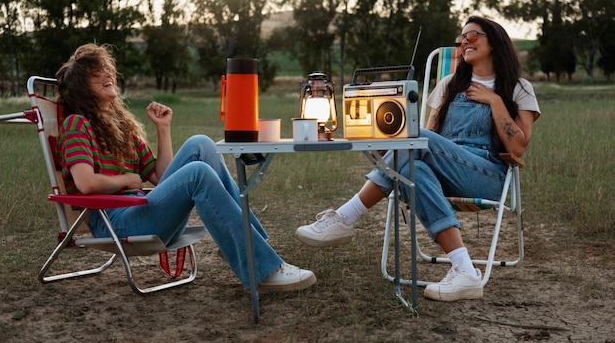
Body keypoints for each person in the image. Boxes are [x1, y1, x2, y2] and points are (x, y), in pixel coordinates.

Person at [296, 16, 540, 301]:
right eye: (461, 38)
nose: (464, 42)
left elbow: (518, 146)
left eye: (472, 36)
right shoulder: (450, 83)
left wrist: (495, 100)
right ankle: (465, 272)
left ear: (494, 41)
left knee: (412, 138)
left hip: (485, 175)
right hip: (443, 171)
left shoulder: (517, 88)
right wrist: (395, 155)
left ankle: (345, 217)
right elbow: (428, 137)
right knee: (415, 166)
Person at [55, 43, 316, 293]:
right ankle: (261, 268)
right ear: (81, 87)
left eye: (107, 68)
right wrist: (125, 180)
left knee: (201, 144)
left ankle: (245, 244)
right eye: (96, 72)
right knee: (197, 174)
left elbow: (162, 178)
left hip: (141, 213)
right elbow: (85, 182)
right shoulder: (77, 124)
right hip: (115, 223)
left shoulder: (121, 128)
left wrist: (163, 129)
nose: (108, 73)